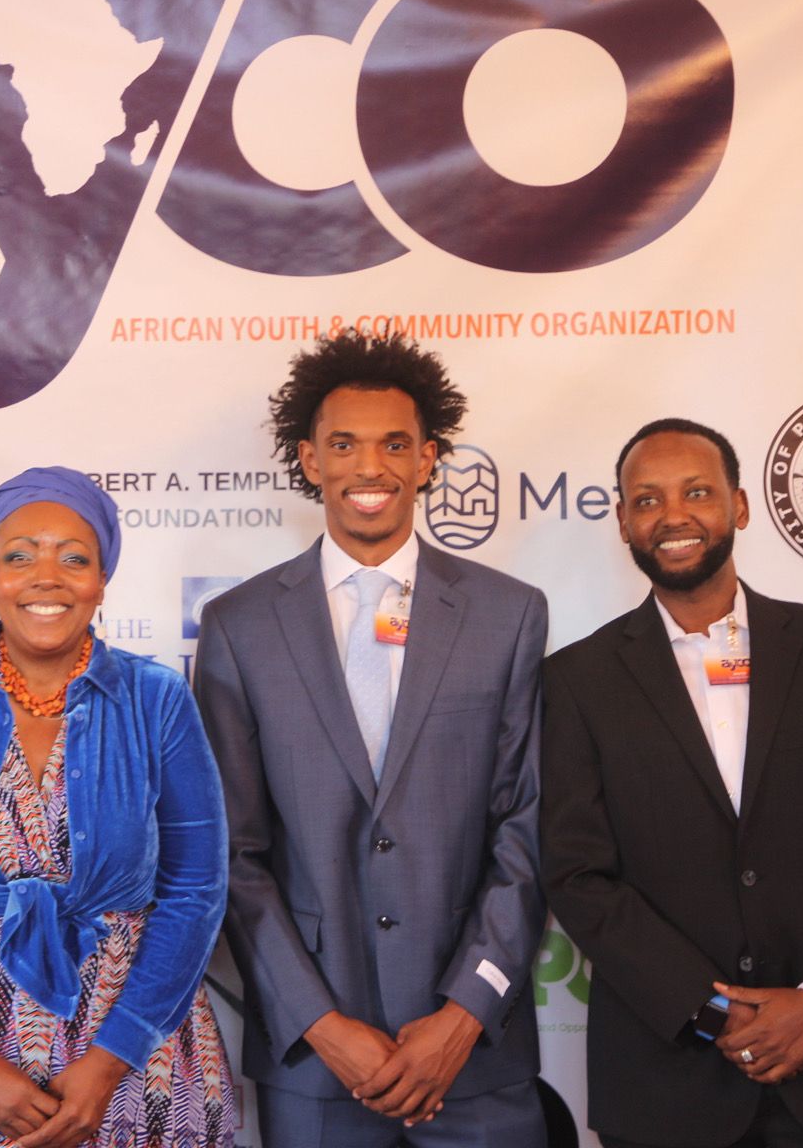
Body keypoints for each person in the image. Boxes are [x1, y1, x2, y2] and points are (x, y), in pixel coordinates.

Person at [541, 418, 803, 1148]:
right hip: (669, 1090)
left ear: (741, 506)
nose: (674, 516)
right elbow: (578, 875)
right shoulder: (575, 681)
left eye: (696, 492)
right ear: (624, 522)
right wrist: (711, 1009)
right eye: (649, 500)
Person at [194, 332, 548, 1146]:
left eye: (395, 444)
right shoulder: (239, 626)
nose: (370, 468)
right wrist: (319, 1022)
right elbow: (230, 855)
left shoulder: (509, 614)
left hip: (476, 1060)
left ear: (429, 459)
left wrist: (464, 1014)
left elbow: (526, 831)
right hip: (316, 1065)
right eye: (343, 444)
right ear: (309, 460)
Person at [0, 467, 232, 1148]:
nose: (45, 576)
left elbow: (195, 887)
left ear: (102, 579)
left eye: (74, 558)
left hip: (130, 1048)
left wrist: (112, 1059)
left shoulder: (158, 699)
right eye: (19, 555)